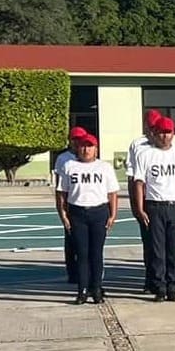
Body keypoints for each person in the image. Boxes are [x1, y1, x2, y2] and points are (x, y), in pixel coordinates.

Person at [131, 116, 175, 301]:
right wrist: (140, 208)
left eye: (168, 132)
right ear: (154, 134)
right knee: (157, 250)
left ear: (173, 134)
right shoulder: (145, 154)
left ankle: (173, 286)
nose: (165, 137)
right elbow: (139, 183)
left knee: (173, 249)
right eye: (161, 133)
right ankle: (159, 287)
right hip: (154, 206)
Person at [55, 131, 117, 304]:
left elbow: (112, 193)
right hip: (77, 213)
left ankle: (96, 288)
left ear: (96, 149)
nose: (86, 149)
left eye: (90, 146)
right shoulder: (69, 166)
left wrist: (112, 214)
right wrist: (64, 216)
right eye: (83, 146)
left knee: (96, 254)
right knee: (81, 254)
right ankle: (82, 290)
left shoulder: (104, 167)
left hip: (99, 212)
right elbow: (62, 193)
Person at [129, 110, 161, 293]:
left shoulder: (167, 146)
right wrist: (136, 205)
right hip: (146, 200)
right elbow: (133, 177)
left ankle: (162, 279)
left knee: (163, 245)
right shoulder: (137, 145)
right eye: (148, 127)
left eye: (154, 128)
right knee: (149, 243)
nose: (151, 131)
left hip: (162, 199)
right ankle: (150, 279)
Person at [54, 127, 86, 286]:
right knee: (71, 240)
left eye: (80, 139)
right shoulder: (63, 159)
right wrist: (62, 209)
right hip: (70, 203)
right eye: (74, 139)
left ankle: (86, 273)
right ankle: (72, 273)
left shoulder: (87, 155)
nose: (77, 143)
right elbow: (59, 185)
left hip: (86, 203)